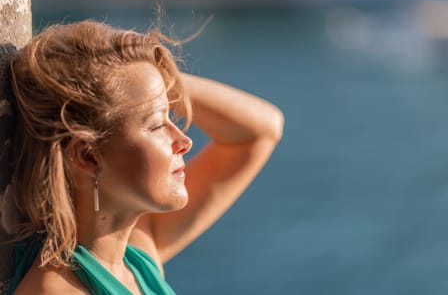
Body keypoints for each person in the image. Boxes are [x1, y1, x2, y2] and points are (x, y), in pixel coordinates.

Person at [2, 20, 284, 294]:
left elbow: (262, 130)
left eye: (170, 114)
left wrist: (151, 80)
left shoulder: (134, 257)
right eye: (158, 124)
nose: (185, 141)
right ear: (88, 155)